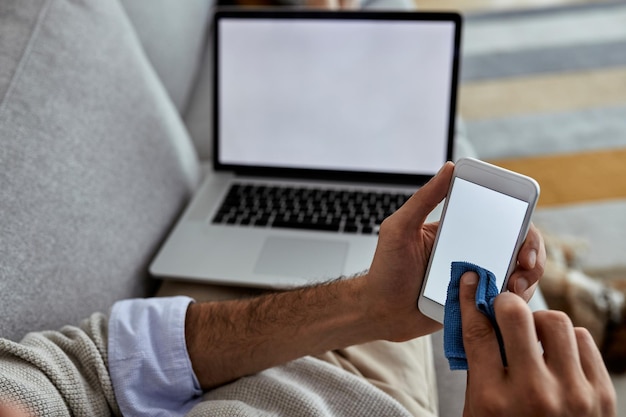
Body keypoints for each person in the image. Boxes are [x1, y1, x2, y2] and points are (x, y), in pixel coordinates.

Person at [0, 162, 615, 416]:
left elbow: (84, 365)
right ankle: (579, 292)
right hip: (379, 394)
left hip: (273, 351)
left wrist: (362, 307)